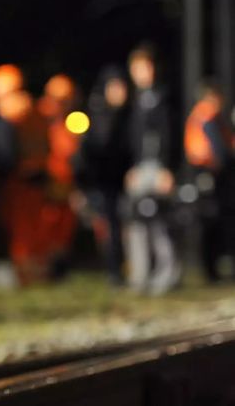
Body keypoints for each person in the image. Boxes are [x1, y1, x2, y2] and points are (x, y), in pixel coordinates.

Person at [0, 64, 53, 284]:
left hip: (19, 179)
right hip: (39, 176)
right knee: (37, 228)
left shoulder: (8, 111)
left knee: (21, 230)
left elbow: (5, 151)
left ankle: (26, 275)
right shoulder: (32, 107)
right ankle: (40, 273)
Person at [122, 45, 179, 294]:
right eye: (137, 68)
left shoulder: (165, 98)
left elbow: (170, 135)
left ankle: (167, 274)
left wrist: (168, 167)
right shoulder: (136, 102)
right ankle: (140, 275)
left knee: (159, 221)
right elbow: (134, 139)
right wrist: (133, 167)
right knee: (135, 220)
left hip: (158, 168)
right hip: (140, 168)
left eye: (146, 66)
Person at [74, 66, 131, 286]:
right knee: (109, 228)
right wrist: (84, 185)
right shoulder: (97, 115)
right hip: (104, 182)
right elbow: (88, 152)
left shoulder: (129, 113)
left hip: (123, 180)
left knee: (125, 226)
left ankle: (126, 269)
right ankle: (114, 271)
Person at [185, 82, 235, 282]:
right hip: (210, 173)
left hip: (204, 173)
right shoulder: (208, 116)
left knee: (211, 221)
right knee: (213, 221)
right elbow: (220, 152)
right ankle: (211, 269)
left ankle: (211, 269)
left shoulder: (200, 115)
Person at [39, 74, 81, 275]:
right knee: (47, 227)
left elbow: (76, 156)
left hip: (67, 184)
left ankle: (60, 267)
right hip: (47, 183)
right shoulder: (41, 121)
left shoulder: (73, 123)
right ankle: (47, 268)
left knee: (65, 229)